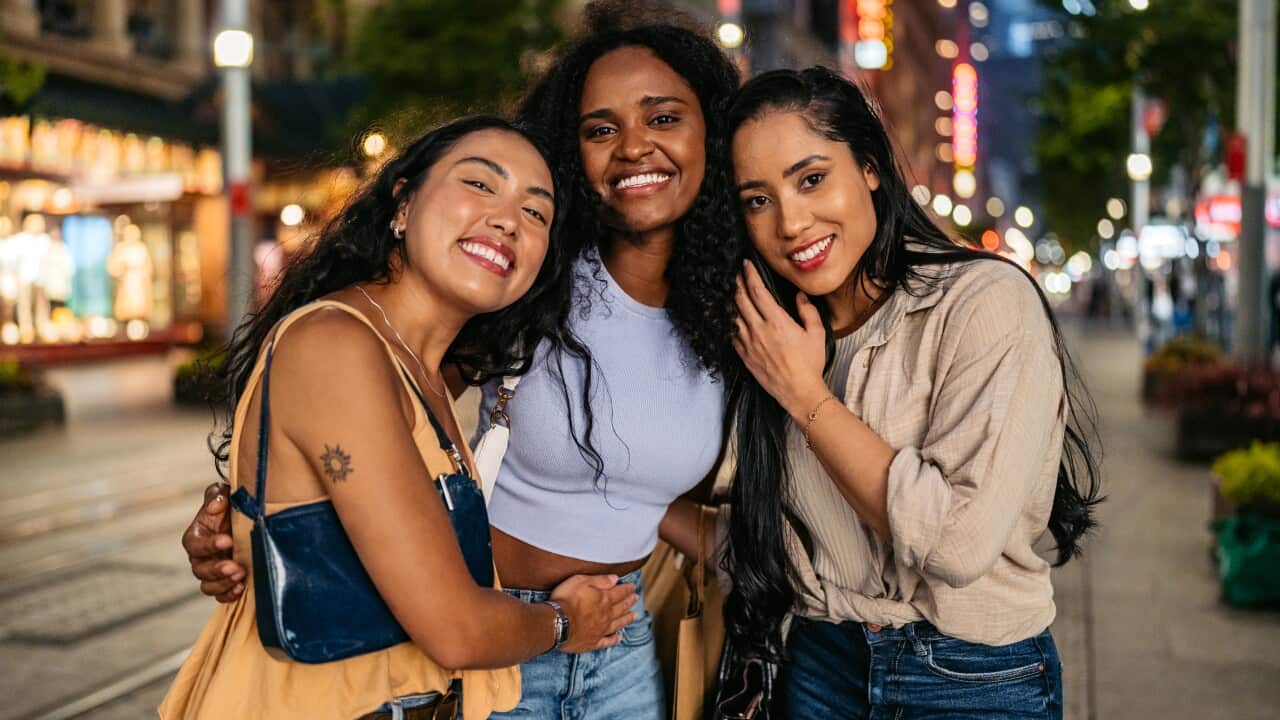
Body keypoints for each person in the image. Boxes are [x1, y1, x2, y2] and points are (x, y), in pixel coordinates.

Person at [180, 11, 744, 719]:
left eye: (663, 117)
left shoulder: (740, 306)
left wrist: (746, 551)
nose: (634, 146)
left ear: (711, 135)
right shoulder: (526, 287)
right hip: (497, 628)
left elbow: (638, 482)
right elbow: (371, 423)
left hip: (618, 636)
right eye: (601, 129)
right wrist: (246, 515)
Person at [159, 116, 637, 720]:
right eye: (480, 185)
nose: (507, 219)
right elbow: (454, 629)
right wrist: (567, 621)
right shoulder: (337, 345)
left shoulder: (423, 368)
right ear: (403, 204)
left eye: (536, 213)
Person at [723, 67, 1102, 719]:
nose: (790, 221)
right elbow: (773, 534)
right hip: (819, 663)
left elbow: (957, 544)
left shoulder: (984, 304)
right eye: (757, 199)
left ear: (870, 167)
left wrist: (806, 397)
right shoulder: (774, 332)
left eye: (812, 179)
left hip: (970, 677)